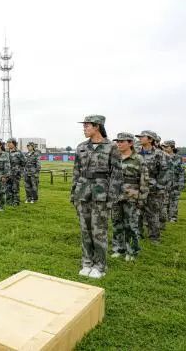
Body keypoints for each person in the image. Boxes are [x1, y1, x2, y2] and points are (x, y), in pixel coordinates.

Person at [71, 115, 122, 279]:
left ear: (97, 127)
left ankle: (99, 266)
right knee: (85, 229)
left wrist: (112, 198)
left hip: (101, 193)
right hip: (82, 192)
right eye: (84, 126)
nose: (84, 128)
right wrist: (73, 193)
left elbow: (117, 175)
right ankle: (87, 262)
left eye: (87, 126)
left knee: (98, 230)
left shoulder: (111, 147)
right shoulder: (81, 147)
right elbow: (76, 172)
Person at [111, 132, 148, 261]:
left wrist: (141, 200)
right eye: (117, 141)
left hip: (131, 198)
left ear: (130, 143)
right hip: (116, 197)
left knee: (131, 226)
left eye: (122, 141)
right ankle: (118, 249)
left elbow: (144, 181)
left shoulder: (138, 159)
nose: (119, 144)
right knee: (117, 224)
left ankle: (132, 251)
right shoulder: (114, 158)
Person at [135, 130, 168, 243]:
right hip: (138, 188)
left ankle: (154, 237)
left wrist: (158, 187)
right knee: (137, 212)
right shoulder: (136, 152)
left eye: (142, 137)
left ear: (150, 139)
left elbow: (164, 172)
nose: (140, 138)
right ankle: (138, 234)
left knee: (152, 213)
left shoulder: (159, 154)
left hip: (153, 189)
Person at [162, 140, 186, 222]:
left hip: (175, 183)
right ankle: (165, 217)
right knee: (164, 201)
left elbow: (182, 172)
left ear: (172, 147)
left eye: (166, 146)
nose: (164, 148)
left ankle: (173, 217)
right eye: (163, 146)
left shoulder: (178, 158)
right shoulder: (162, 157)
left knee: (174, 201)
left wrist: (181, 183)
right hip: (164, 183)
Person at [5, 137, 25, 206]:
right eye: (7, 143)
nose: (8, 144)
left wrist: (19, 171)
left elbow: (24, 162)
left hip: (16, 174)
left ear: (14, 143)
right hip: (7, 174)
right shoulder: (6, 152)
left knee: (15, 188)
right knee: (7, 188)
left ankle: (16, 201)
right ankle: (9, 201)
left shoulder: (19, 152)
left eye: (9, 142)